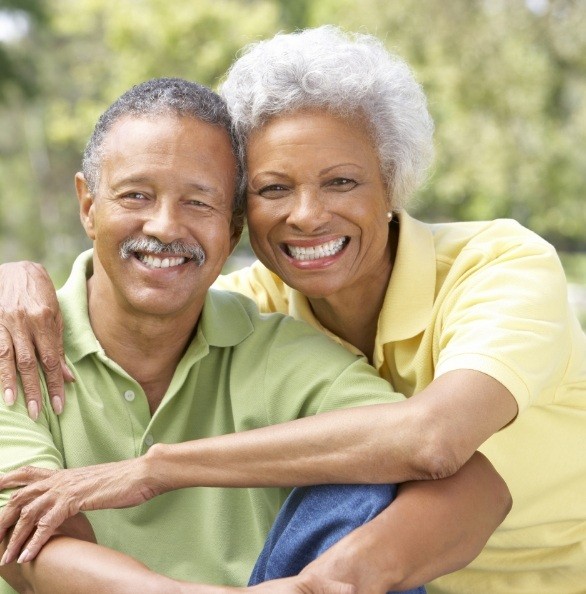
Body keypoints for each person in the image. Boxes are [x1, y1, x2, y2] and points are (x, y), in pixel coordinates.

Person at [8, 23, 581, 593]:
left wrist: (154, 470)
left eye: (340, 182)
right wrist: (14, 279)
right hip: (392, 575)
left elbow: (434, 443)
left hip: (545, 578)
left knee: (356, 481)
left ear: (392, 186)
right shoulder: (249, 307)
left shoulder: (498, 265)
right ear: (244, 215)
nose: (306, 215)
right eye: (274, 188)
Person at [0, 76, 437, 594]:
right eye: (136, 195)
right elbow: (27, 548)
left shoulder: (280, 353)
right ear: (89, 206)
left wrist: (328, 582)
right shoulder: (15, 340)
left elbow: (466, 479)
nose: (164, 226)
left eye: (198, 203)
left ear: (232, 231)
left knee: (368, 488)